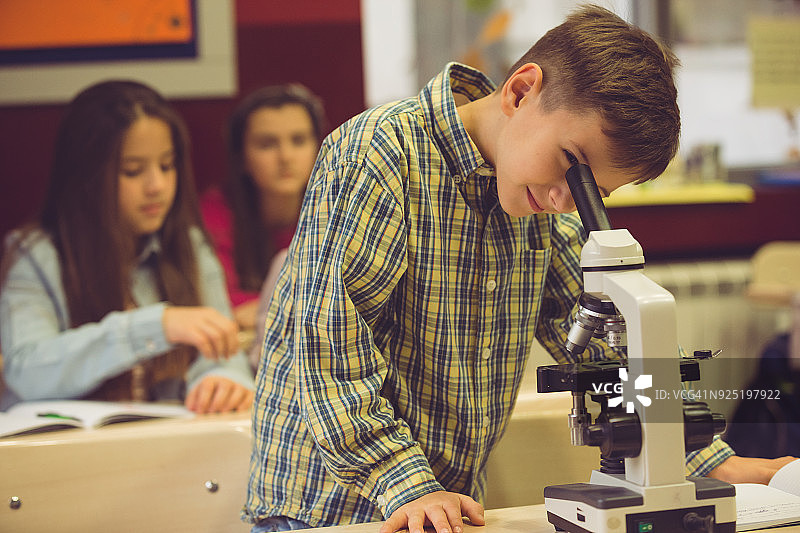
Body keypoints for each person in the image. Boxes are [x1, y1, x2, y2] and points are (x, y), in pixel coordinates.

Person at [244, 6, 794, 533]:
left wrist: (708, 458)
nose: (563, 199)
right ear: (521, 90)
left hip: (439, 506)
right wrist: (406, 482)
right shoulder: (379, 156)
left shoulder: (536, 200)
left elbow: (608, 339)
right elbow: (326, 346)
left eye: (593, 192)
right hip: (328, 508)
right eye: (569, 165)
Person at [0, 80, 254, 413]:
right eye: (132, 171)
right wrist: (155, 326)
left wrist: (222, 381)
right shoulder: (35, 254)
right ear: (87, 177)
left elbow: (225, 353)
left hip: (170, 449)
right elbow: (27, 372)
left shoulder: (190, 243)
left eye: (167, 165)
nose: (157, 186)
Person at [200, 84, 325, 333]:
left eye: (299, 141)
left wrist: (258, 310)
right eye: (267, 144)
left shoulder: (338, 209)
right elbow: (216, 305)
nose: (286, 156)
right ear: (242, 157)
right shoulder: (213, 213)